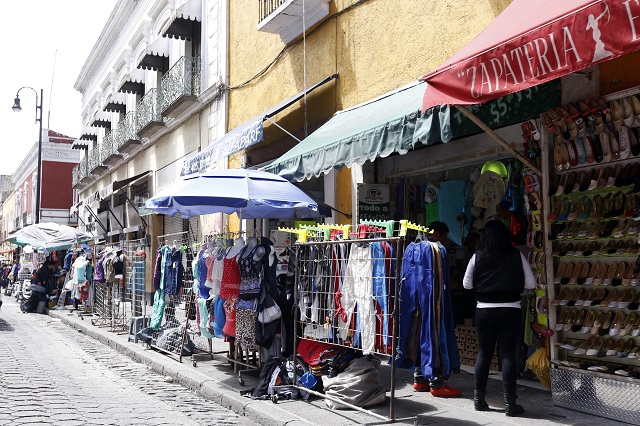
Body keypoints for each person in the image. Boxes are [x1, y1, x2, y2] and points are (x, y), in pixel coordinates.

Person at [462, 220, 535, 416]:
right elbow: (530, 283)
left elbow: (467, 285)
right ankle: (511, 404)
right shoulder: (516, 255)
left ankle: (479, 400)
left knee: (484, 354)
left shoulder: (477, 256)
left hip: (484, 310)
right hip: (511, 309)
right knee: (508, 355)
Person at [413, 221, 462, 398]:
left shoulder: (413, 248)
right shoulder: (437, 250)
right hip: (434, 303)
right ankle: (437, 382)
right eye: (445, 236)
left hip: (417, 303)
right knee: (435, 339)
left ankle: (420, 379)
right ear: (438, 234)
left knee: (420, 339)